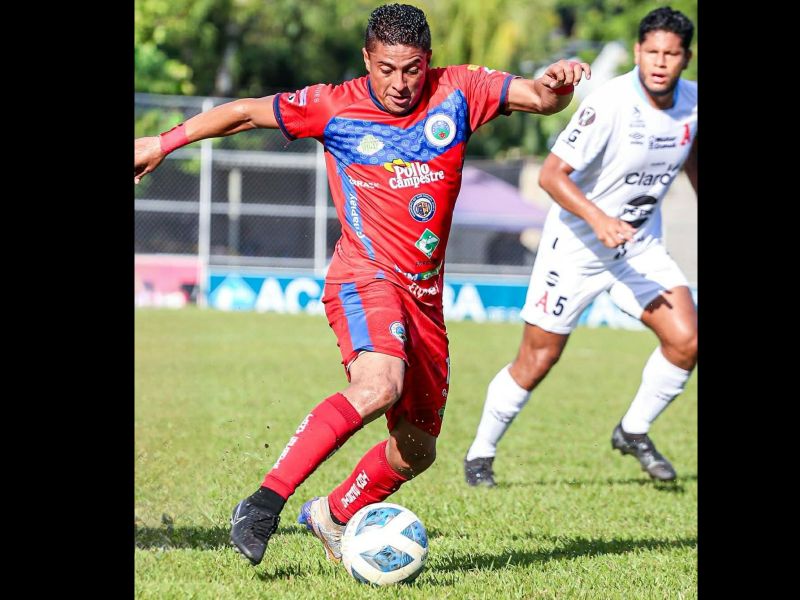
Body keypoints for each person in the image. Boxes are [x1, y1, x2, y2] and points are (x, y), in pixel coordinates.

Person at [135, 3, 589, 567]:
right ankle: (262, 503)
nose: (401, 84)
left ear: (430, 62)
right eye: (388, 69)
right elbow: (246, 114)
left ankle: (333, 514)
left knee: (415, 451)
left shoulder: (462, 90)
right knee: (380, 385)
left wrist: (559, 81)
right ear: (367, 60)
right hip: (364, 276)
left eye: (413, 69)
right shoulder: (333, 105)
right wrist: (162, 141)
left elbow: (543, 99)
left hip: (425, 300)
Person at [464, 6, 697, 487]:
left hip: (636, 246)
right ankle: (480, 455)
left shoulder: (692, 103)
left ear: (685, 59)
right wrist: (600, 218)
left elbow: (690, 152)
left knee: (687, 340)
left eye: (670, 54)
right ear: (637, 52)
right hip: (575, 246)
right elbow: (552, 175)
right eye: (650, 51)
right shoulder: (610, 104)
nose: (659, 62)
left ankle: (633, 431)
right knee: (538, 360)